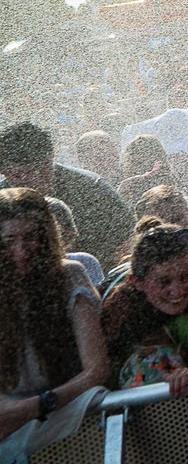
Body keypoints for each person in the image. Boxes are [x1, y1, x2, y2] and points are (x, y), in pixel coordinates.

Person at [0, 188, 109, 448]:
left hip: (69, 406)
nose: (21, 250)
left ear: (46, 236)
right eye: (9, 240)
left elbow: (97, 371)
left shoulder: (70, 276)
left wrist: (37, 406)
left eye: (30, 238)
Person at [101, 223, 188, 393]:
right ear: (137, 282)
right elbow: (107, 382)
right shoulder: (118, 312)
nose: (177, 291)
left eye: (186, 277)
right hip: (139, 408)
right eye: (164, 282)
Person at [0, 122, 132, 266]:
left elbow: (129, 238)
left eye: (40, 168)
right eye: (19, 175)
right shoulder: (3, 198)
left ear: (51, 157)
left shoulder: (90, 187)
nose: (33, 179)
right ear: (3, 171)